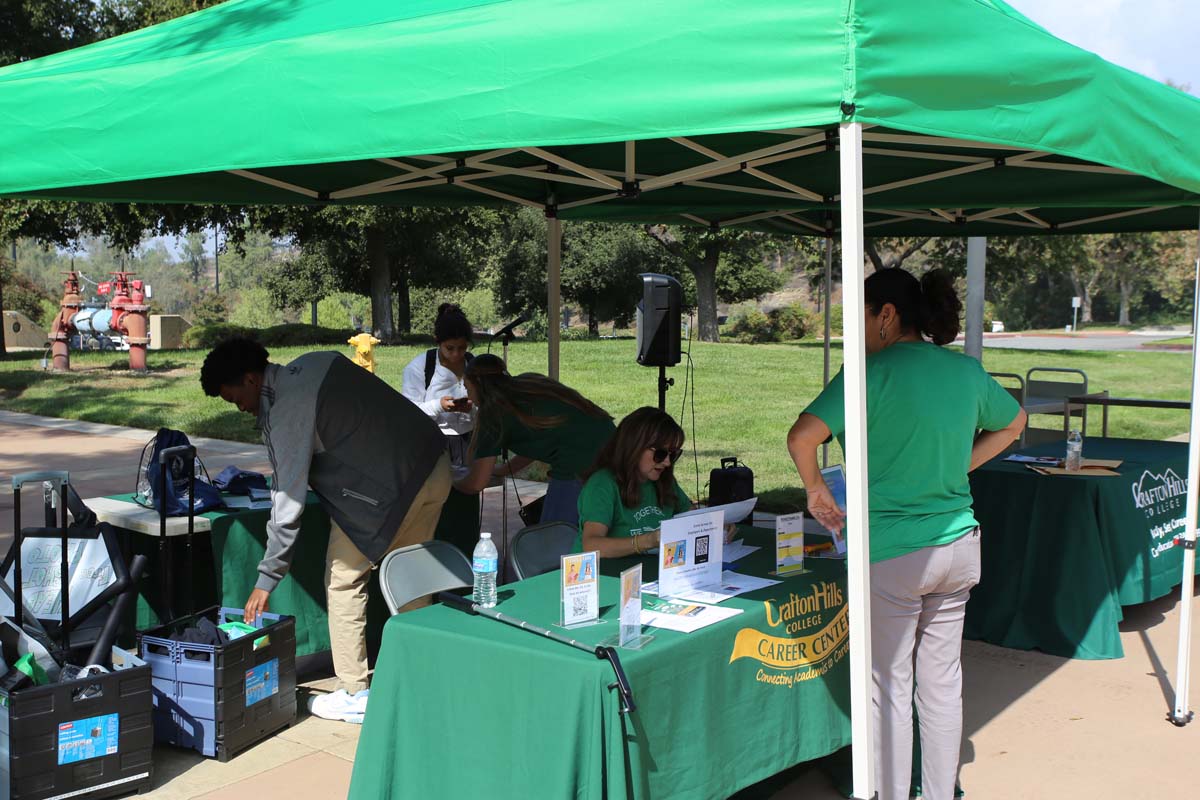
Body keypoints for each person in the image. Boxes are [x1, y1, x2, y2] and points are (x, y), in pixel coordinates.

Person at [786, 268, 1026, 800]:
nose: (858, 329)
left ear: (887, 315)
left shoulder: (868, 374)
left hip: (892, 554)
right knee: (942, 685)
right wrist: (958, 466)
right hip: (958, 546)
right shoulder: (965, 372)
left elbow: (802, 437)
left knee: (888, 686)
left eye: (862, 315)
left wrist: (814, 492)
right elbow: (1014, 423)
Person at [200, 337, 451, 724]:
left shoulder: (286, 411)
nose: (242, 408)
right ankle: (422, 675)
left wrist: (266, 579)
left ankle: (355, 692)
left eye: (236, 399)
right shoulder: (317, 360)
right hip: (434, 465)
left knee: (344, 581)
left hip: (390, 493)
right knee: (411, 578)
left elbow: (287, 503)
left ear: (251, 379)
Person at [454, 354, 614, 526]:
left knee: (556, 534)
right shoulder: (527, 384)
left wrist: (451, 483)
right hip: (613, 445)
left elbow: (477, 483)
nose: (469, 396)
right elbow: (541, 437)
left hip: (577, 463)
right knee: (595, 525)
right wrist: (503, 470)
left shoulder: (493, 411)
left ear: (479, 383)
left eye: (468, 388)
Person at [576, 407, 691, 556]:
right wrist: (647, 541)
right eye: (660, 454)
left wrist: (717, 525)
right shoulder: (602, 484)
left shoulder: (664, 481)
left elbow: (692, 517)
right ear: (635, 446)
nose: (667, 462)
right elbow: (591, 545)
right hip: (601, 574)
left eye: (673, 454)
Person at [400, 303, 475, 475]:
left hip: (469, 440)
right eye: (450, 348)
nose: (456, 354)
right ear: (437, 341)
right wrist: (439, 406)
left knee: (467, 493)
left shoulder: (473, 364)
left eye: (462, 348)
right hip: (433, 442)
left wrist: (472, 409)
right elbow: (409, 412)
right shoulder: (419, 368)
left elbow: (488, 405)